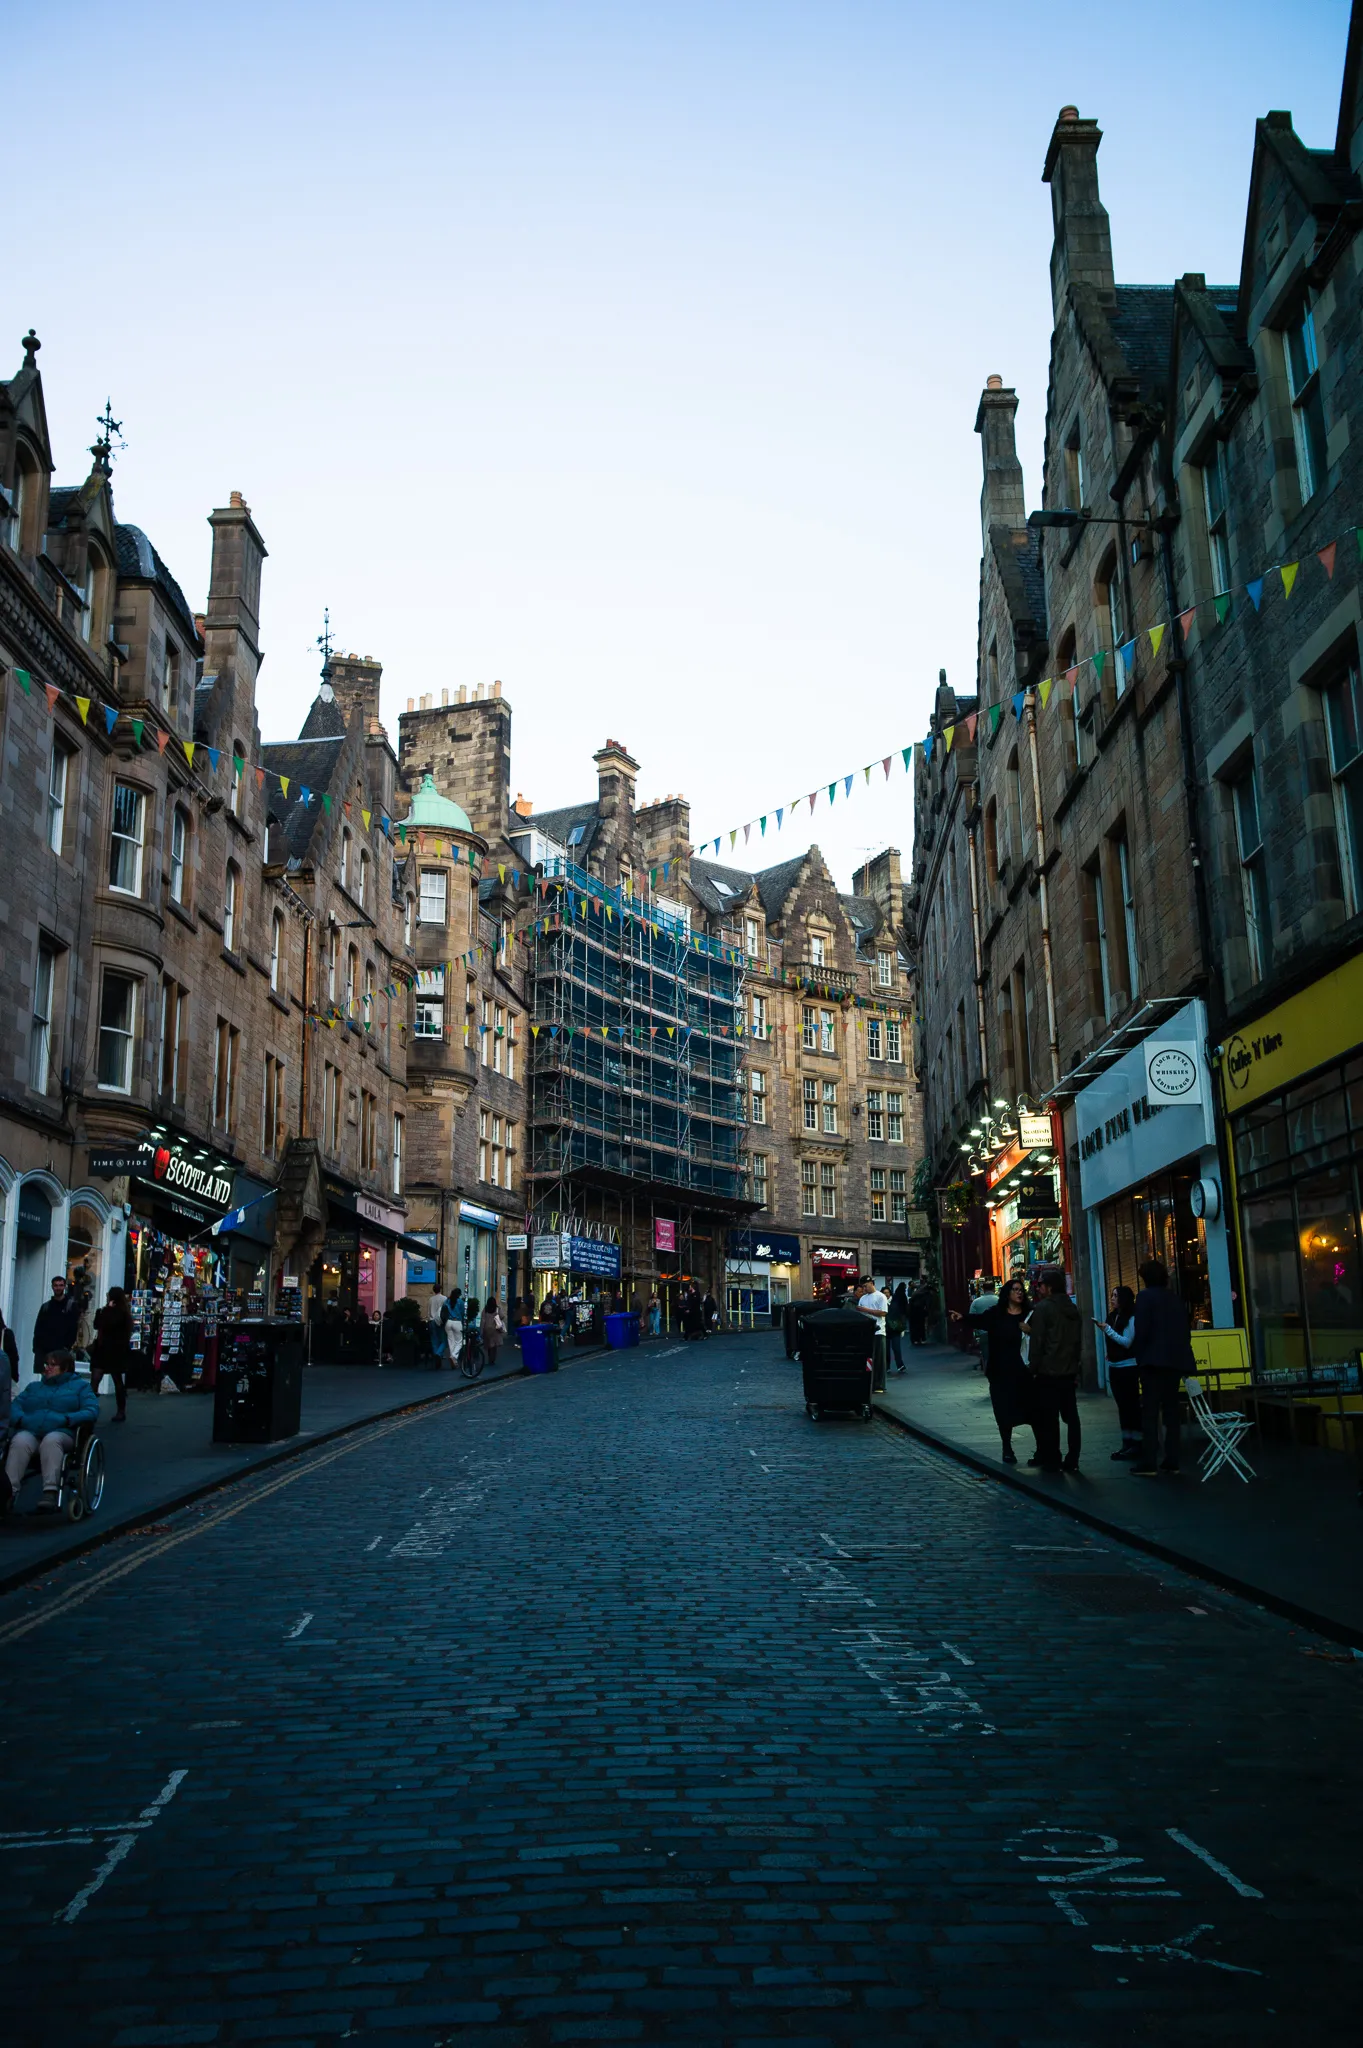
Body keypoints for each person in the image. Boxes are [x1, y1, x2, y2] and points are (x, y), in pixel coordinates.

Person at [3, 1350, 98, 1514]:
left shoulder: (81, 1387)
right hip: (33, 1429)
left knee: (51, 1440)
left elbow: (91, 1410)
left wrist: (68, 1419)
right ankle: (8, 1492)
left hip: (62, 1431)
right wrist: (21, 1419)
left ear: (65, 1368)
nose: (47, 1368)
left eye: (53, 1365)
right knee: (19, 1441)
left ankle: (50, 1492)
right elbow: (14, 1406)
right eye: (46, 1364)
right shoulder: (34, 1387)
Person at [1130, 1260, 1194, 1476]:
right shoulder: (1174, 1298)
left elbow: (1142, 1330)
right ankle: (1172, 1459)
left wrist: (1140, 1357)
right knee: (1171, 1411)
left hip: (1152, 1362)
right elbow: (1184, 1330)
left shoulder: (1144, 1297)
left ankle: (1149, 1461)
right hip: (1174, 1362)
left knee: (1149, 1413)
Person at [1025, 1269, 1084, 1473]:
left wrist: (1033, 1368)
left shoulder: (1044, 1308)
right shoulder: (1071, 1307)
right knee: (1071, 1416)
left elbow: (1038, 1341)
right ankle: (1073, 1457)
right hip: (1068, 1370)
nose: (1038, 1288)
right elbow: (1077, 1341)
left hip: (1048, 1371)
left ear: (1049, 1287)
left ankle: (1053, 1458)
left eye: (1040, 1284)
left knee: (1049, 1418)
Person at [981, 1278, 1033, 1464]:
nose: (1019, 1293)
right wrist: (961, 1317)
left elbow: (1043, 1335)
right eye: (1015, 1289)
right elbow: (979, 1321)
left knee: (1032, 1410)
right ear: (1007, 1293)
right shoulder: (996, 1314)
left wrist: (1031, 1331)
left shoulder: (1029, 1314)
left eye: (1021, 1290)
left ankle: (1041, 1452)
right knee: (1003, 1411)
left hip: (1024, 1371)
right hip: (1000, 1371)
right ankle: (1007, 1448)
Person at [1094, 1284, 1141, 1461]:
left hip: (1128, 1367)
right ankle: (1127, 1443)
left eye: (1115, 1296)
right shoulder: (1113, 1316)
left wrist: (1107, 1329)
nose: (1112, 1298)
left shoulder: (1131, 1317)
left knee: (1131, 1407)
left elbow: (1127, 1341)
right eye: (1112, 1295)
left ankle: (1136, 1444)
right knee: (1123, 1408)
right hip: (1115, 1366)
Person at [91, 1286, 133, 1424]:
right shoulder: (120, 1313)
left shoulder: (119, 1314)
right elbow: (97, 1324)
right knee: (107, 1379)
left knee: (113, 1380)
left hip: (112, 1349)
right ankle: (91, 1408)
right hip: (110, 1349)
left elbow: (107, 1324)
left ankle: (119, 1410)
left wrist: (107, 1310)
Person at [31, 1275, 80, 1375]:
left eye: (61, 1285)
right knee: (45, 1376)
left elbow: (74, 1328)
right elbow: (38, 1328)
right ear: (52, 1287)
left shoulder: (71, 1306)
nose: (58, 1288)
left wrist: (67, 1346)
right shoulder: (46, 1307)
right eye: (56, 1285)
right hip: (45, 1349)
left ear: (64, 1287)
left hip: (61, 1350)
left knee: (60, 1376)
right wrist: (36, 1347)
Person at [856, 1277, 889, 1391]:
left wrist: (866, 1310)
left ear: (871, 1283)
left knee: (879, 1359)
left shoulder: (881, 1296)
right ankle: (869, 1383)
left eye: (866, 1286)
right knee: (868, 1359)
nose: (864, 1289)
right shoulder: (863, 1298)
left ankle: (879, 1384)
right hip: (866, 1331)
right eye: (863, 1287)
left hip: (878, 1332)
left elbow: (883, 1312)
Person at [886, 1284, 910, 1375]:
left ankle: (900, 1365)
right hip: (885, 1329)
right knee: (886, 1350)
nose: (886, 1294)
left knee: (896, 1348)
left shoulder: (895, 1302)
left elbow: (901, 1314)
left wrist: (902, 1327)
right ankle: (887, 1366)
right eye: (884, 1293)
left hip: (895, 1328)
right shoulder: (880, 1303)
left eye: (887, 1292)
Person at [481, 1296, 504, 1371]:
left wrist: (481, 1330)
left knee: (489, 1345)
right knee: (494, 1345)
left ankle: (489, 1358)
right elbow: (502, 1316)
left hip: (487, 1329)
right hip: (495, 1329)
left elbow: (483, 1320)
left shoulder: (485, 1309)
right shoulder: (497, 1309)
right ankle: (492, 1359)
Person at [444, 1288, 465, 1368]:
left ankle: (454, 1361)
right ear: (459, 1294)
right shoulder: (460, 1302)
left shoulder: (447, 1301)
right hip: (457, 1322)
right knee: (459, 1342)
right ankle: (453, 1356)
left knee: (451, 1342)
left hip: (448, 1322)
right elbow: (462, 1313)